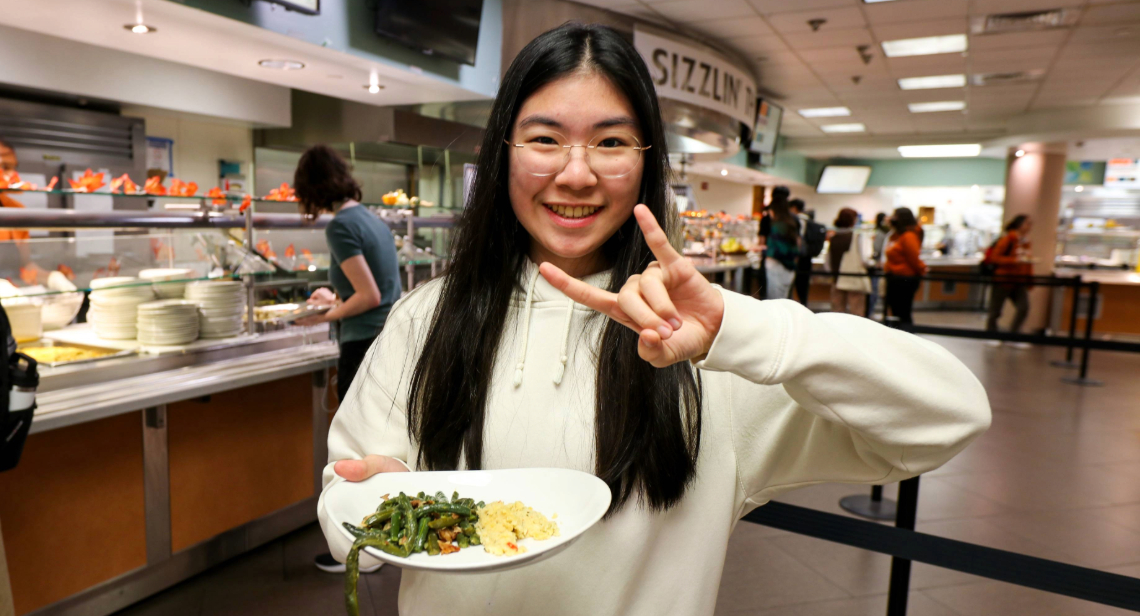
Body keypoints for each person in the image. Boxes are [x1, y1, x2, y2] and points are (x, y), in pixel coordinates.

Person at [316, 23, 990, 616]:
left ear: (645, 164)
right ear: (503, 154)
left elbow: (948, 417)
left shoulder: (703, 346)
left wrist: (739, 330)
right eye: (544, 138)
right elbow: (351, 509)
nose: (575, 174)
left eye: (610, 141)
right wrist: (379, 504)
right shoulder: (427, 318)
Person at [291, 145, 403, 574]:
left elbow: (369, 296)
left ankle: (359, 550)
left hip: (361, 341)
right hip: (382, 337)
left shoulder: (339, 226)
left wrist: (323, 314)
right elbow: (376, 288)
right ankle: (383, 540)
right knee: (378, 444)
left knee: (357, 452)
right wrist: (335, 298)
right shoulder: (370, 217)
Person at [0, 139, 45, 284]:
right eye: (5, 167)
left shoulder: (16, 211)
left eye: (13, 168)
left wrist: (53, 278)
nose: (12, 175)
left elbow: (27, 266)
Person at [985, 214, 1033, 347]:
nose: (1030, 227)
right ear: (1020, 225)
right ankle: (991, 335)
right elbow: (994, 258)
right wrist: (1013, 261)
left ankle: (1013, 335)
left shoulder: (1025, 241)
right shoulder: (1007, 239)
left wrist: (1029, 279)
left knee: (1023, 307)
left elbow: (1027, 262)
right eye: (1027, 223)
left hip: (1018, 280)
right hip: (1003, 279)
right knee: (995, 310)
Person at [883, 207, 927, 325]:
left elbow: (913, 258)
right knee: (897, 312)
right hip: (896, 278)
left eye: (895, 216)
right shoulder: (898, 235)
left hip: (905, 280)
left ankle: (906, 335)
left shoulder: (909, 236)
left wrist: (922, 269)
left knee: (903, 312)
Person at [758, 187, 799, 299]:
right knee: (784, 298)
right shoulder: (793, 220)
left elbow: (775, 247)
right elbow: (797, 245)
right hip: (789, 267)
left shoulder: (776, 225)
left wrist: (764, 250)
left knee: (774, 300)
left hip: (776, 264)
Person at [828, 208, 869, 315]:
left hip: (837, 278)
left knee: (837, 312)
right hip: (854, 278)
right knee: (856, 311)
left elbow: (827, 261)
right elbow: (865, 258)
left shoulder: (834, 238)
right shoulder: (857, 237)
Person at [789, 199, 825, 305]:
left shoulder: (791, 220)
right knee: (803, 288)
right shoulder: (811, 223)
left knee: (788, 288)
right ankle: (803, 308)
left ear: (793, 208)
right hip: (806, 259)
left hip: (792, 258)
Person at [868, 212, 890, 315]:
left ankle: (871, 312)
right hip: (880, 265)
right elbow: (877, 249)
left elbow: (876, 248)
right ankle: (871, 312)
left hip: (880, 265)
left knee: (876, 290)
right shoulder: (884, 233)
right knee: (875, 290)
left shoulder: (881, 232)